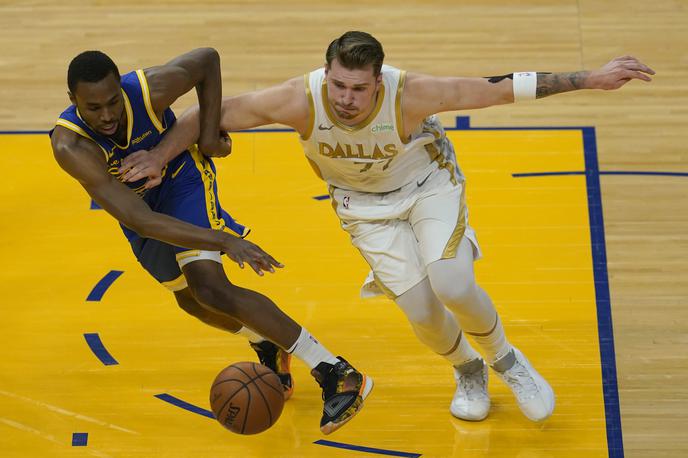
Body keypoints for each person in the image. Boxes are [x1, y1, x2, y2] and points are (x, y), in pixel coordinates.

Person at [122, 32, 654, 422]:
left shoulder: (411, 95)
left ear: (379, 81)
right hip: (361, 206)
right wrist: (161, 157)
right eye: (337, 85)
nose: (346, 99)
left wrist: (590, 78)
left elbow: (498, 88)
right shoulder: (299, 99)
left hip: (428, 189)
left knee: (451, 281)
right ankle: (468, 370)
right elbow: (199, 118)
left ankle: (508, 362)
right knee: (421, 310)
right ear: (324, 73)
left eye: (358, 88)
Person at [49, 48, 373, 435]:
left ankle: (336, 372)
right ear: (73, 102)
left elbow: (207, 60)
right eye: (93, 107)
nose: (106, 115)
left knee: (211, 287)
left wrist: (206, 139)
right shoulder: (72, 148)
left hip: (180, 179)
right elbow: (140, 220)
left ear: (121, 88)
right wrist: (222, 240)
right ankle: (267, 343)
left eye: (113, 101)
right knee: (190, 301)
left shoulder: (149, 89)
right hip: (140, 211)